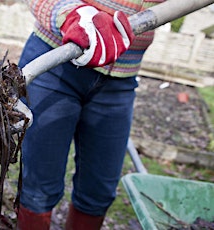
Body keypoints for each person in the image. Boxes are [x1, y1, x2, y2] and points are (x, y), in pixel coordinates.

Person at [17, 0, 164, 229]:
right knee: (37, 186)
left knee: (98, 192)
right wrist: (70, 13)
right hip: (55, 61)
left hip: (120, 78)